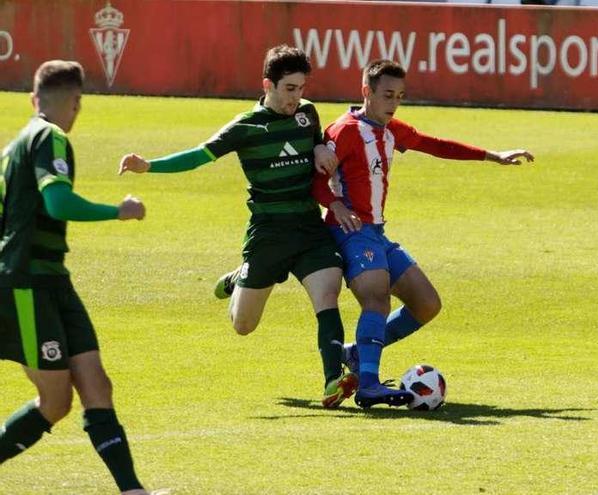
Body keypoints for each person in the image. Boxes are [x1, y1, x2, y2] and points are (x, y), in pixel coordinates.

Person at [117, 45, 357, 409]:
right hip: (268, 235)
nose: (297, 97)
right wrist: (149, 165)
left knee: (328, 295)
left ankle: (331, 380)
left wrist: (322, 145)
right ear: (268, 84)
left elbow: (318, 139)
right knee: (244, 325)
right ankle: (239, 277)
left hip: (307, 228)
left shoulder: (307, 115)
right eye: (289, 88)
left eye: (301, 88)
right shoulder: (244, 128)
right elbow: (199, 155)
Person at [311, 59, 534, 408]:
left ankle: (357, 354)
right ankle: (368, 384)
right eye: (387, 95)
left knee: (427, 304)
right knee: (377, 298)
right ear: (366, 91)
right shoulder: (345, 131)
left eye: (400, 96)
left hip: (376, 233)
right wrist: (335, 206)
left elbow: (434, 144)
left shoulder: (390, 129)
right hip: (349, 230)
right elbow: (316, 178)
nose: (394, 103)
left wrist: (492, 156)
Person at [0, 60, 154, 494]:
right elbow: (58, 203)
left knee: (96, 384)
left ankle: (131, 489)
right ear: (76, 101)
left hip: (51, 279)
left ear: (34, 98)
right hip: (27, 283)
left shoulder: (13, 148)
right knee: (54, 401)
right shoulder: (50, 137)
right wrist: (118, 211)